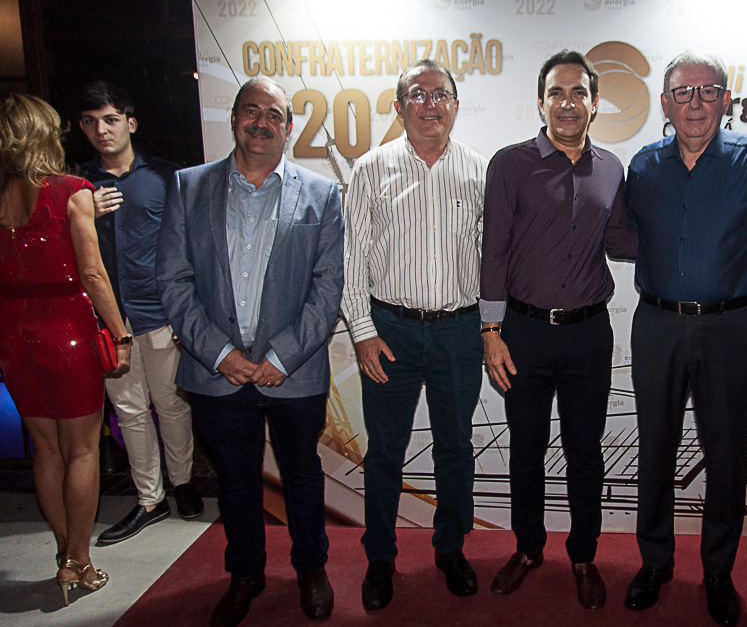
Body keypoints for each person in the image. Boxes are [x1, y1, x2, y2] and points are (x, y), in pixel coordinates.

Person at [623, 50, 747, 626]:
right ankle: (655, 562)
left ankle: (719, 572)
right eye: (683, 92)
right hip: (657, 324)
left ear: (726, 100)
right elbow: (620, 235)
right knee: (655, 448)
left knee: (726, 452)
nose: (695, 103)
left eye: (707, 92)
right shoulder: (643, 167)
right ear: (665, 103)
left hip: (731, 327)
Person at [156, 77, 344, 627]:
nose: (261, 122)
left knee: (302, 474)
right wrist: (218, 354)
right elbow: (173, 280)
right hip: (217, 373)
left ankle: (312, 568)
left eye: (274, 114)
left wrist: (281, 357)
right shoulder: (188, 187)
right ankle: (245, 574)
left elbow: (328, 286)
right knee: (237, 481)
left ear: (289, 127)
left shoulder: (322, 193)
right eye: (251, 110)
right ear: (234, 117)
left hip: (293, 372)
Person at [479, 50, 637, 611]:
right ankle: (527, 549)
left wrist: (682, 234)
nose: (567, 103)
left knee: (585, 452)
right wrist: (490, 329)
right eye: (556, 93)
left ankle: (583, 555)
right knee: (527, 449)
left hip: (589, 335)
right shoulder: (510, 164)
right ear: (540, 102)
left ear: (594, 103)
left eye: (578, 93)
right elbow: (494, 249)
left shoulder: (613, 169)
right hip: (522, 333)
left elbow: (620, 240)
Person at [342, 59, 487, 611]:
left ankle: (450, 547)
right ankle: (380, 556)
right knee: (384, 450)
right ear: (400, 106)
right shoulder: (370, 169)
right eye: (418, 95)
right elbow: (351, 261)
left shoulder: (479, 171)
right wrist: (362, 332)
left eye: (440, 94)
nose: (431, 105)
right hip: (390, 331)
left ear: (456, 105)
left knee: (456, 446)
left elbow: (491, 259)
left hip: (459, 331)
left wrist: (490, 328)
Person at [0, 93, 131, 605]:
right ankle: (78, 560)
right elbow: (93, 274)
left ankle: (63, 552)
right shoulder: (73, 192)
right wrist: (119, 333)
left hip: (12, 334)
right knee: (81, 450)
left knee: (46, 450)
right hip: (66, 333)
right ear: (44, 134)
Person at [75, 81, 202, 545]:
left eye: (110, 119)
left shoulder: (168, 177)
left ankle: (182, 482)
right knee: (129, 411)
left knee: (171, 404)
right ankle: (150, 499)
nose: (101, 130)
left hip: (162, 311)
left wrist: (190, 313)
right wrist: (82, 215)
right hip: (109, 318)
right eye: (91, 122)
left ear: (130, 123)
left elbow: (190, 246)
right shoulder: (78, 186)